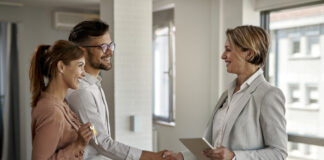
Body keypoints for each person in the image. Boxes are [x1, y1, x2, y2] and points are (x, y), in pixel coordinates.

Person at [164, 25, 287, 160]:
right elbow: (213, 149)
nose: (223, 56)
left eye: (228, 50)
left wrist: (234, 157)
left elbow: (279, 153)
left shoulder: (269, 95)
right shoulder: (226, 94)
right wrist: (181, 156)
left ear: (249, 54)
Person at [66, 20, 165, 160]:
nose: (110, 51)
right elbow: (102, 143)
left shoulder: (94, 85)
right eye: (103, 46)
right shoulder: (81, 93)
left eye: (111, 45)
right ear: (82, 50)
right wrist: (154, 157)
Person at [30, 40, 94, 159]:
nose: (84, 73)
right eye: (80, 66)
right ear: (61, 67)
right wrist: (78, 145)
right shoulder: (52, 111)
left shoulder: (59, 103)